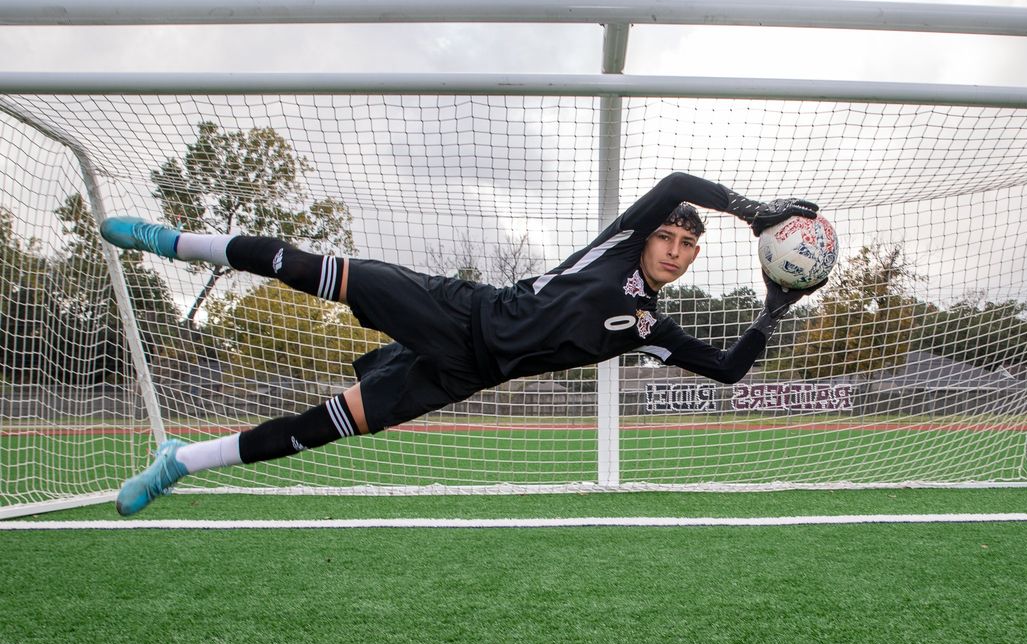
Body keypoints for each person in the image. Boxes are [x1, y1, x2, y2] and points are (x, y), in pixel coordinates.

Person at [101, 172, 825, 515]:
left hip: (461, 374)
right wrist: (755, 213)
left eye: (687, 245)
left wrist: (774, 308)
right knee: (310, 269)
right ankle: (175, 241)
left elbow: (726, 369)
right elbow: (677, 181)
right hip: (459, 310)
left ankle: (181, 462)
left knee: (319, 428)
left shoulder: (650, 327)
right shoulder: (615, 249)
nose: (674, 249)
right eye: (667, 236)